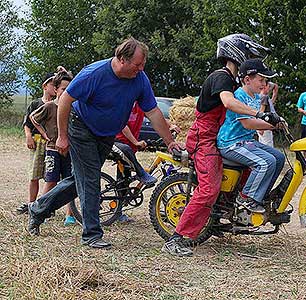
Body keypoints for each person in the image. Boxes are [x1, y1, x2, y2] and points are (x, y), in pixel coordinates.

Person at [27, 37, 182, 249]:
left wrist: (170, 141)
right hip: (81, 128)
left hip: (107, 133)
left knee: (79, 180)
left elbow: (153, 112)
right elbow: (65, 101)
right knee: (90, 179)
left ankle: (37, 209)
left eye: (143, 65)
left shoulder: (140, 79)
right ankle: (91, 234)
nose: (141, 69)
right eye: (137, 65)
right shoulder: (95, 73)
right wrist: (62, 136)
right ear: (121, 59)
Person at [162, 33, 279, 257]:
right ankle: (176, 239)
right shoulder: (221, 77)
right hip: (204, 138)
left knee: (245, 170)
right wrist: (259, 114)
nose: (250, 58)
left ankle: (224, 216)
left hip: (217, 136)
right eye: (249, 54)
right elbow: (228, 102)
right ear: (237, 53)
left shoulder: (234, 80)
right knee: (209, 189)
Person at [218, 58, 285, 213]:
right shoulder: (239, 95)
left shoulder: (255, 97)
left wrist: (276, 122)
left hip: (245, 142)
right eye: (261, 80)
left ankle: (261, 195)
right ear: (247, 80)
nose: (264, 84)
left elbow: (257, 122)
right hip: (230, 143)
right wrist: (273, 125)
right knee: (265, 162)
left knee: (279, 158)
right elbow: (248, 123)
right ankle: (246, 199)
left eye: (266, 81)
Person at [30, 68, 76, 226]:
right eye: (63, 89)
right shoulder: (49, 107)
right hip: (52, 150)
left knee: (70, 182)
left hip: (69, 151)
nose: (66, 92)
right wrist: (44, 133)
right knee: (51, 181)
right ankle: (41, 210)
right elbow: (33, 117)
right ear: (56, 90)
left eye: (69, 89)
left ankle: (70, 215)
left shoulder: (72, 107)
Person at [16, 73, 56, 214]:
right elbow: (27, 123)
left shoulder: (58, 104)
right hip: (38, 141)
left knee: (51, 176)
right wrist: (28, 136)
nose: (55, 87)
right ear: (45, 86)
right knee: (34, 174)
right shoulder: (36, 104)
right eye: (52, 84)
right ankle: (31, 204)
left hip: (52, 143)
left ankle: (46, 205)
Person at [257, 81, 279, 147]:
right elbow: (261, 113)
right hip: (264, 126)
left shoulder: (260, 97)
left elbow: (275, 86)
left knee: (262, 143)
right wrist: (260, 128)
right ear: (264, 87)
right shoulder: (264, 97)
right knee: (268, 145)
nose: (269, 89)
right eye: (268, 87)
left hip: (263, 126)